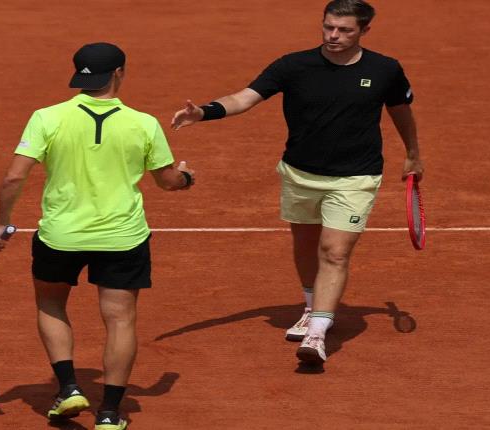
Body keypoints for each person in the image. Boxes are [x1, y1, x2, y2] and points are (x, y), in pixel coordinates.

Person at [171, 0, 423, 365]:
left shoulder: (384, 69)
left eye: (344, 30)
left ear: (364, 31)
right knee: (305, 246)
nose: (333, 35)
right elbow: (244, 98)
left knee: (334, 252)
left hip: (355, 177)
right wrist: (205, 112)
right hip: (299, 174)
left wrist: (413, 153)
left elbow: (400, 111)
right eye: (328, 27)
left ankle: (317, 334)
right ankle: (311, 307)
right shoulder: (293, 65)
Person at [0, 42, 195, 429]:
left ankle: (68, 389)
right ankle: (110, 414)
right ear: (119, 73)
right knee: (120, 320)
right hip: (122, 238)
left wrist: (2, 221)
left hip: (60, 236)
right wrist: (186, 178)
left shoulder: (47, 117)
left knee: (50, 303)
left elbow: (14, 177)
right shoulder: (143, 123)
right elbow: (168, 181)